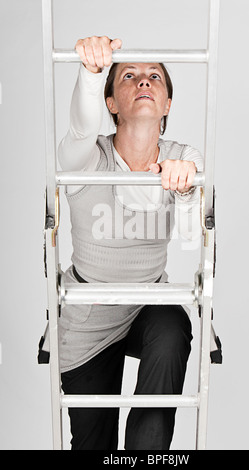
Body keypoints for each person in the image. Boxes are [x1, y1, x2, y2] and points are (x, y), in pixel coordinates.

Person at [45, 36, 204, 450]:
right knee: (94, 448)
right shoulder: (84, 158)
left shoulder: (183, 157)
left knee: (174, 327)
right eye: (129, 76)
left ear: (167, 103)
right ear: (111, 102)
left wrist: (187, 187)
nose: (144, 82)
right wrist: (90, 72)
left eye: (155, 76)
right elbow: (81, 126)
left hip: (145, 308)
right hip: (88, 323)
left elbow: (191, 238)